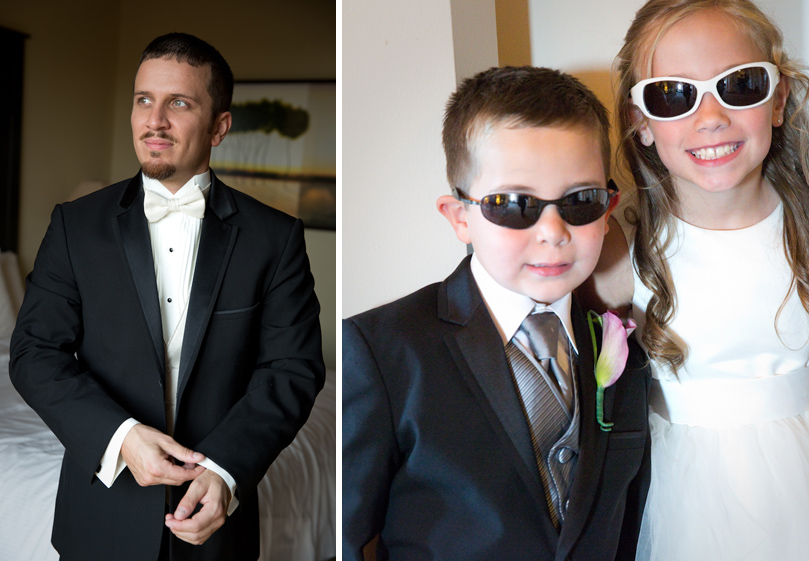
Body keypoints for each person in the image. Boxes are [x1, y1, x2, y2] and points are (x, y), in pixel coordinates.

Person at [580, 0, 809, 559]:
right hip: (678, 483)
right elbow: (598, 369)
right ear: (641, 122)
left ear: (777, 101)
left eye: (740, 86)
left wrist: (784, 393)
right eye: (673, 95)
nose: (710, 117)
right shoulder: (621, 245)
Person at [9, 33, 325, 561]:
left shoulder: (275, 238)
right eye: (143, 100)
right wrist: (121, 437)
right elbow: (34, 353)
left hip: (215, 523)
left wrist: (225, 470)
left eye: (178, 103)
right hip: (99, 516)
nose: (154, 121)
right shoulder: (74, 226)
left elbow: (292, 368)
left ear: (219, 126)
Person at [343, 66, 652, 561]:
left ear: (608, 207)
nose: (553, 232)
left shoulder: (624, 351)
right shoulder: (381, 350)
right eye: (514, 204)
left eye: (580, 201)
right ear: (460, 217)